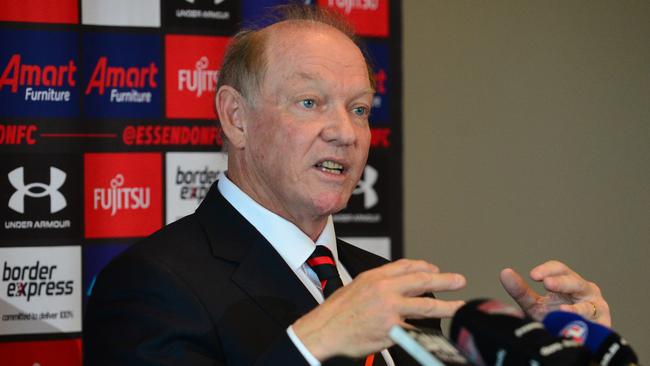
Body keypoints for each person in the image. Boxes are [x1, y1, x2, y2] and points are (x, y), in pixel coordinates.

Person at [84, 5, 611, 366]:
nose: (344, 133)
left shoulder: (387, 284)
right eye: (309, 102)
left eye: (358, 109)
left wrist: (547, 349)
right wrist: (313, 345)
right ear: (235, 118)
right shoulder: (150, 286)